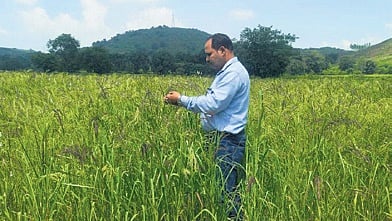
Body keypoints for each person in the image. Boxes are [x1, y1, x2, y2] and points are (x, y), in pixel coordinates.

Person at [164, 33, 250, 220]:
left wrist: (181, 100)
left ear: (222, 50)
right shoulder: (227, 72)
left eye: (209, 54)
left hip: (228, 142)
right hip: (220, 140)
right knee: (219, 188)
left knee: (225, 191)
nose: (207, 59)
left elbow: (213, 104)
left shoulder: (233, 73)